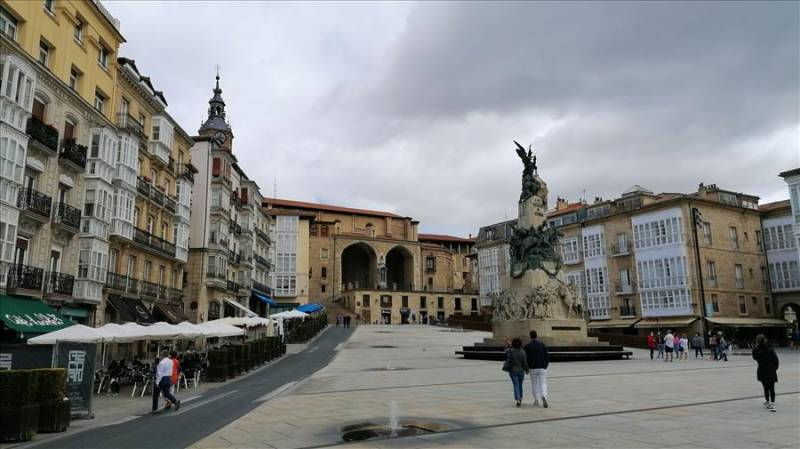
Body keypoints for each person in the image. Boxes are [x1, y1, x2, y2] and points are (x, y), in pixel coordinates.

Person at [752, 334, 779, 412]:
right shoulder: (770, 349)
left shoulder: (757, 350)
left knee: (765, 387)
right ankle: (773, 403)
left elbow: (754, 357)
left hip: (762, 370)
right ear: (765, 340)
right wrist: (775, 368)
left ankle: (767, 401)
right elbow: (776, 360)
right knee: (771, 387)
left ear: (757, 341)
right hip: (771, 370)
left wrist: (756, 347)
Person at [524, 330, 549, 408]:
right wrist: (546, 365)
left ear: (530, 336)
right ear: (536, 336)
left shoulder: (527, 346)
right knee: (543, 382)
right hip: (542, 367)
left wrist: (526, 367)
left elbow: (525, 357)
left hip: (532, 368)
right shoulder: (542, 344)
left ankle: (536, 400)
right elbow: (546, 356)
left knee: (534, 383)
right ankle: (544, 395)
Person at [503, 338, 529, 407]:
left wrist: (508, 345)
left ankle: (518, 399)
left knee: (516, 385)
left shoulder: (511, 351)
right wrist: (527, 369)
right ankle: (520, 398)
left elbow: (505, 351)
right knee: (520, 385)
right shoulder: (523, 352)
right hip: (521, 371)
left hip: (513, 371)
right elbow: (525, 363)